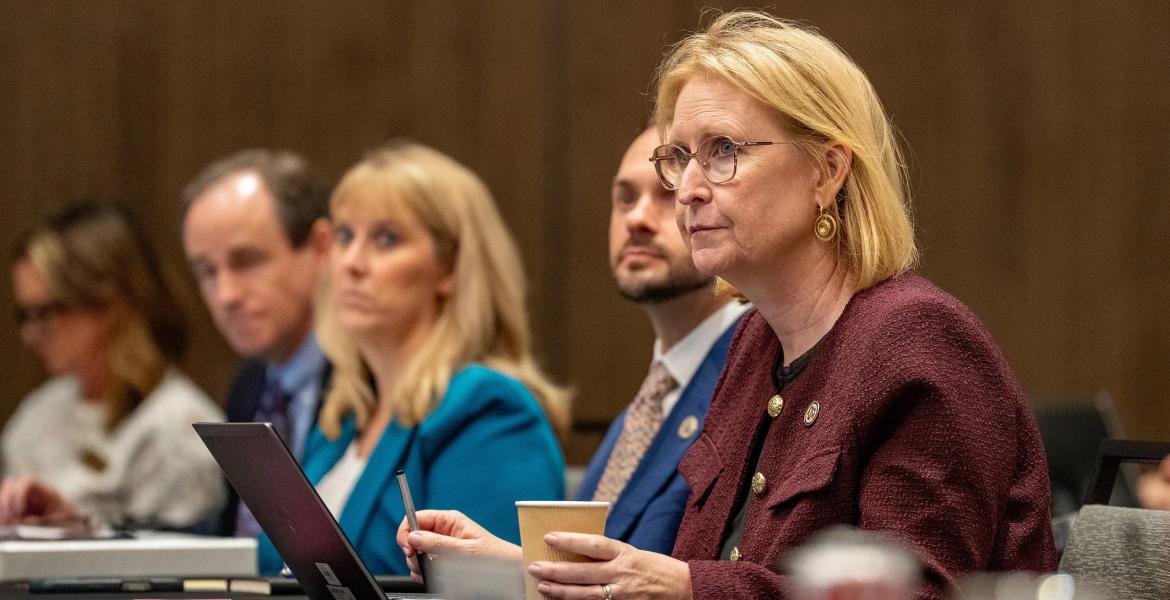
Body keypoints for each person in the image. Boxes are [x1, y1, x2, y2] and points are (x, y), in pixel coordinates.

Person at [398, 11, 1057, 599]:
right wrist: (527, 573)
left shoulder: (918, 339)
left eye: (722, 153)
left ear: (828, 171)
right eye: (678, 157)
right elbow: (694, 569)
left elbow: (919, 592)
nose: (686, 189)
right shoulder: (754, 346)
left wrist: (685, 587)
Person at [257, 140, 569, 575]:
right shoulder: (342, 420)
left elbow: (483, 591)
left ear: (448, 268)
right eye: (345, 236)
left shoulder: (488, 409)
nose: (351, 262)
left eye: (386, 239)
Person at [574, 126, 747, 554]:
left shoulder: (754, 374)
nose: (636, 219)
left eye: (667, 193)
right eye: (626, 198)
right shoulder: (643, 408)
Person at [1, 201, 224, 529]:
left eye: (44, 314)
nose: (29, 335)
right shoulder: (41, 410)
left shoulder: (178, 428)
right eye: (25, 315)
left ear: (108, 304)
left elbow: (171, 570)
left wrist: (80, 530)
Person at [182, 149, 332, 536]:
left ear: (320, 247)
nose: (226, 295)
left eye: (246, 261)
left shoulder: (374, 383)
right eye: (207, 272)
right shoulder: (251, 384)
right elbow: (237, 538)